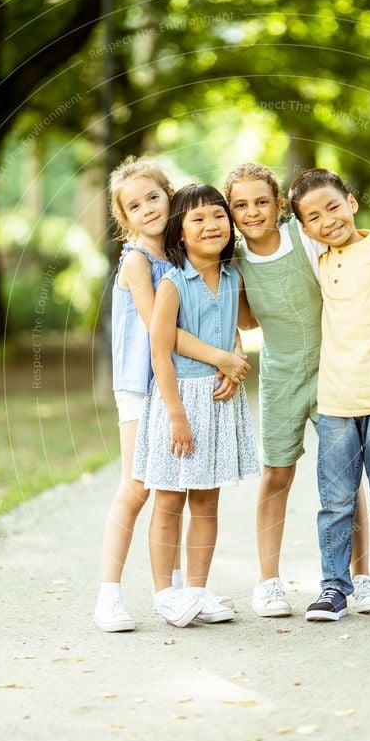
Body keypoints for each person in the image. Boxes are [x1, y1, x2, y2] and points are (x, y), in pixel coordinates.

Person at [224, 163, 370, 618]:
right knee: (277, 473)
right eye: (240, 205)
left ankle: (362, 576)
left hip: (335, 371)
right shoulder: (233, 258)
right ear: (230, 211)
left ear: (281, 207)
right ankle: (268, 582)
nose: (253, 212)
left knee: (348, 481)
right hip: (282, 376)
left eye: (262, 202)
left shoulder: (304, 236)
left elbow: (358, 242)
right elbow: (244, 318)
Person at [94, 158, 251, 632]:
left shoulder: (186, 255)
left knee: (189, 485)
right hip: (142, 386)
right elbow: (159, 331)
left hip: (184, 383)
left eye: (153, 197)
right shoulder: (140, 260)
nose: (147, 209)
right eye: (134, 205)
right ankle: (110, 595)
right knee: (140, 486)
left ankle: (185, 592)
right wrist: (225, 358)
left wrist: (231, 353)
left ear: (170, 196)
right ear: (125, 218)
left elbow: (219, 314)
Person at [289, 168, 370, 621]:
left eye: (333, 206)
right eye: (314, 217)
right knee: (335, 503)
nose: (327, 220)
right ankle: (332, 589)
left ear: (352, 202)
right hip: (335, 404)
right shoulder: (320, 260)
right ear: (305, 230)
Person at [132, 184, 260, 627]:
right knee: (168, 499)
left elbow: (232, 331)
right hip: (180, 402)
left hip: (219, 400)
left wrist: (233, 362)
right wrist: (177, 416)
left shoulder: (231, 279)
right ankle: (164, 594)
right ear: (180, 232)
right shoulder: (172, 282)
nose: (211, 225)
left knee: (207, 501)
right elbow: (159, 352)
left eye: (219, 216)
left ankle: (198, 589)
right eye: (197, 219)